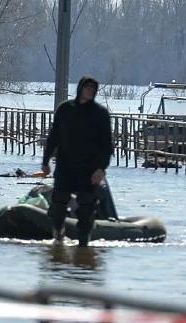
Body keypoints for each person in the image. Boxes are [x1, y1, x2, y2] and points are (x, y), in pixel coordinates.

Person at [41, 76, 113, 247]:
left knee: (86, 210)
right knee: (58, 208)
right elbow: (53, 137)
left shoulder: (100, 114)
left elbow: (106, 145)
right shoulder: (65, 109)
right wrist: (45, 162)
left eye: (93, 88)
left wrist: (101, 168)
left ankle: (83, 246)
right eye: (87, 87)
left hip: (89, 169)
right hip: (66, 167)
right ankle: (58, 235)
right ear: (80, 88)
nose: (90, 91)